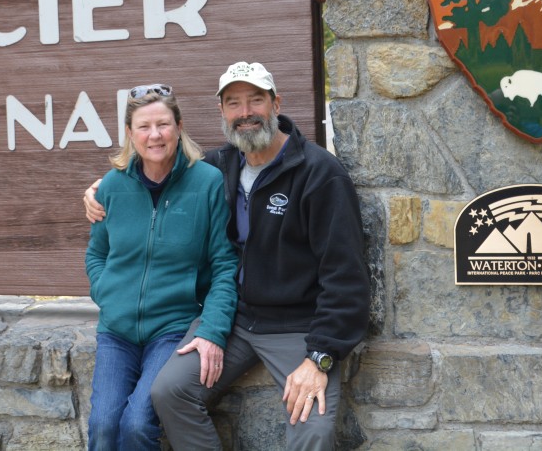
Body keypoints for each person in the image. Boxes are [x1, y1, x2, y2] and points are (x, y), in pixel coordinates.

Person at [85, 63, 370, 450]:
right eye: (233, 102)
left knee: (313, 431)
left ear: (276, 103)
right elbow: (156, 177)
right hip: (237, 322)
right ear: (221, 112)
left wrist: (320, 357)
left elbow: (347, 277)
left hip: (298, 329)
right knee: (170, 391)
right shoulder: (222, 166)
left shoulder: (319, 174)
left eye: (255, 100)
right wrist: (103, 187)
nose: (245, 112)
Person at [84, 83, 238, 451]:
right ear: (129, 133)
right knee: (103, 426)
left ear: (179, 127)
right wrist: (107, 293)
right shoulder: (111, 186)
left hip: (171, 329)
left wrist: (214, 329)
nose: (155, 135)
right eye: (144, 126)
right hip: (116, 331)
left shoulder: (207, 183)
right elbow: (96, 254)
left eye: (163, 124)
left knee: (137, 424)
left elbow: (224, 264)